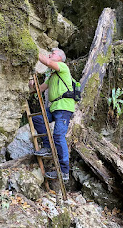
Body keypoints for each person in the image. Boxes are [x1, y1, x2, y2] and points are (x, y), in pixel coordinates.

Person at [29, 48, 75, 181]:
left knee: (58, 136)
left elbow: (48, 62)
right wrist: (31, 85)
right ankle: (48, 147)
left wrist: (33, 51)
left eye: (53, 53)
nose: (50, 55)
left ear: (60, 58)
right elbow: (40, 89)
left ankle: (64, 171)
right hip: (55, 107)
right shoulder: (53, 75)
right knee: (38, 119)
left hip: (64, 108)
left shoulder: (63, 67)